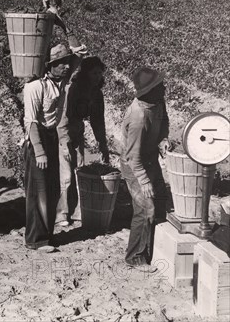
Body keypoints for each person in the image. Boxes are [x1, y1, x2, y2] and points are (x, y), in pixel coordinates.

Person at [22, 43, 85, 251]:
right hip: (37, 139)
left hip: (51, 137)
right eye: (61, 63)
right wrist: (39, 152)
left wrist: (60, 22)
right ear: (49, 66)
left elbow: (79, 55)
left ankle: (47, 235)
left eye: (67, 62)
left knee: (51, 189)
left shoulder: (60, 81)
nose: (66, 66)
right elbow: (30, 122)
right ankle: (35, 239)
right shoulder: (35, 87)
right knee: (39, 191)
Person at [120, 67, 170, 272]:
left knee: (160, 200)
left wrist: (164, 138)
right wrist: (144, 181)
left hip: (149, 158)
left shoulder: (158, 101)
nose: (164, 89)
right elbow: (133, 157)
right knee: (145, 208)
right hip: (134, 165)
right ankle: (135, 257)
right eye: (160, 86)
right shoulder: (138, 117)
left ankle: (155, 247)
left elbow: (164, 119)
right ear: (148, 91)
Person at [56, 56, 110, 225]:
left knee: (79, 169)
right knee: (65, 173)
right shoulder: (73, 89)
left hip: (77, 130)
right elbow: (62, 118)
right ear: (85, 73)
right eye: (94, 73)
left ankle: (77, 210)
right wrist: (64, 144)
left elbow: (97, 121)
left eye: (100, 73)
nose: (97, 77)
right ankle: (61, 214)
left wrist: (103, 144)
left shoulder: (96, 93)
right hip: (62, 131)